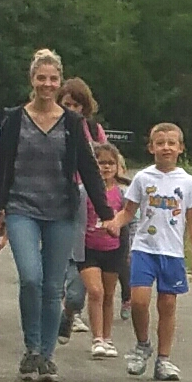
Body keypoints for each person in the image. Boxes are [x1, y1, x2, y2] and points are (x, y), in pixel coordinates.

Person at [0, 48, 105, 382]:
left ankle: (46, 356)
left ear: (60, 81)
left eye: (53, 79)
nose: (47, 84)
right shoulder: (13, 120)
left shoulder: (72, 123)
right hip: (22, 207)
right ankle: (31, 348)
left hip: (61, 211)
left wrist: (106, 213)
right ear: (32, 80)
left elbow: (89, 170)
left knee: (53, 287)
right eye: (41, 78)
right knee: (31, 278)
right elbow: (0, 168)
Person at [117, 123, 192, 380]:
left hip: (173, 253)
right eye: (160, 143)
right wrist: (113, 224)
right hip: (144, 248)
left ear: (180, 148)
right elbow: (128, 212)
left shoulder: (188, 182)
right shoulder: (143, 178)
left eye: (171, 143)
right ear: (151, 147)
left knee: (167, 305)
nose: (166, 147)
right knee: (140, 301)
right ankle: (142, 344)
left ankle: (164, 360)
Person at [57, 77, 107, 342]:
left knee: (81, 249)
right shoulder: (52, 126)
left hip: (84, 192)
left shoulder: (92, 129)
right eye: (67, 104)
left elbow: (104, 160)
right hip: (57, 193)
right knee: (60, 248)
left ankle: (72, 306)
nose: (72, 109)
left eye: (77, 105)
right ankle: (60, 304)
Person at [79, 142, 130, 359]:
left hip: (113, 249)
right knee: (95, 292)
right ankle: (97, 338)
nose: (106, 167)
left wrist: (129, 249)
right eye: (101, 163)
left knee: (108, 295)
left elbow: (129, 223)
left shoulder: (124, 194)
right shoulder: (82, 192)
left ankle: (108, 338)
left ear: (117, 166)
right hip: (87, 248)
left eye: (110, 163)